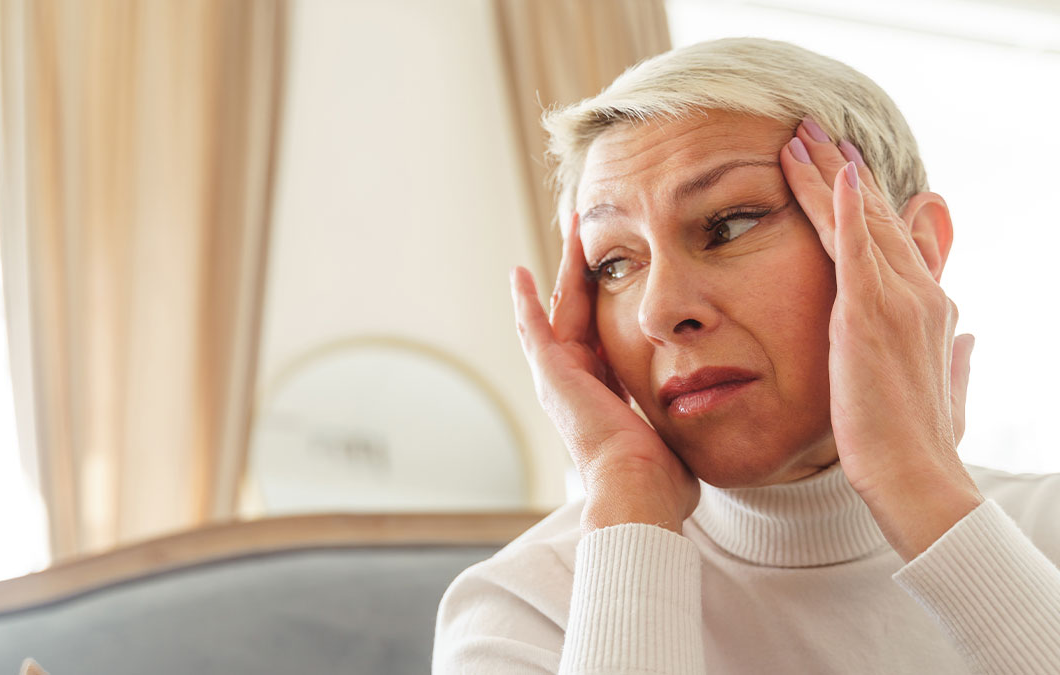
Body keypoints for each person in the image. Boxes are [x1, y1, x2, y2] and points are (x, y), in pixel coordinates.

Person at [433, 37, 1060, 674]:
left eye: (729, 224)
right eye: (614, 263)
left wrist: (920, 484)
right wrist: (628, 498)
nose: (657, 313)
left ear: (916, 251)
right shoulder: (522, 610)